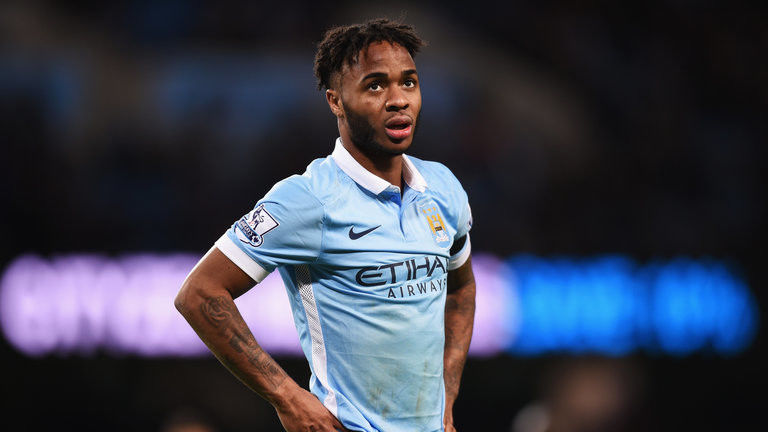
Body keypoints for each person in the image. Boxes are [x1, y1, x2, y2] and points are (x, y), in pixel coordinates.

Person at [174, 18, 476, 432]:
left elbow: (462, 287)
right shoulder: (307, 199)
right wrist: (286, 396)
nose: (398, 100)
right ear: (336, 101)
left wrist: (447, 395)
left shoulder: (442, 187)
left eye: (408, 82)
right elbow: (198, 293)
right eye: (375, 86)